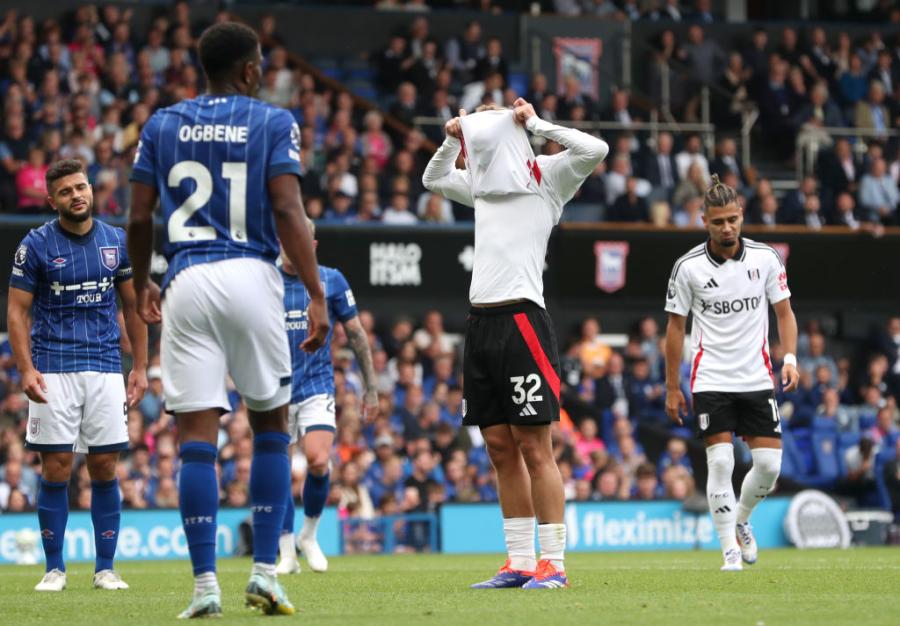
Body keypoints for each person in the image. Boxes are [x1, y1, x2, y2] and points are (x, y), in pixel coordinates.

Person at [127, 22, 329, 618]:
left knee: (196, 443)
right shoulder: (272, 121)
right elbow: (289, 207)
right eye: (261, 63)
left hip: (186, 280)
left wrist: (142, 282)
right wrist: (315, 292)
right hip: (251, 273)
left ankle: (204, 587)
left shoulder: (161, 123)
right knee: (269, 426)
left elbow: (138, 218)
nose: (263, 71)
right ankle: (266, 572)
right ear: (247, 70)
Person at [422, 98, 608, 589]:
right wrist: (451, 138)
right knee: (500, 447)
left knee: (535, 445)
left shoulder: (545, 174)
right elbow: (433, 180)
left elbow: (596, 148)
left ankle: (554, 564)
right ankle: (520, 561)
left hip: (523, 319)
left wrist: (538, 124)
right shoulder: (483, 181)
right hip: (480, 322)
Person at [7, 159, 148, 591]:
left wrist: (140, 366)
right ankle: (54, 568)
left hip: (106, 366)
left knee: (105, 465)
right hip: (52, 365)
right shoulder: (35, 245)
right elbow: (16, 311)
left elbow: (133, 304)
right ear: (52, 200)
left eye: (81, 187)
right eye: (66, 191)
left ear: (92, 189)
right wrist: (26, 368)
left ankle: (105, 568)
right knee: (57, 467)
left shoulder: (115, 241)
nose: (76, 195)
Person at [664, 174, 799, 572]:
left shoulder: (765, 258)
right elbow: (675, 328)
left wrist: (789, 358)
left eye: (733, 220)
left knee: (770, 468)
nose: (727, 228)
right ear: (704, 220)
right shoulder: (687, 268)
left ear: (742, 217)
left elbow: (785, 313)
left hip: (757, 377)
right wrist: (672, 386)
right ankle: (729, 551)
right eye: (718, 221)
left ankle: (740, 519)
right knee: (721, 463)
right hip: (711, 378)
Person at [275, 221, 378, 575]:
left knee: (318, 461)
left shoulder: (331, 279)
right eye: (287, 237)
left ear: (313, 244)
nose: (292, 244)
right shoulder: (263, 279)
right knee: (278, 471)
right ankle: (286, 551)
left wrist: (371, 387)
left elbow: (356, 334)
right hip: (273, 389)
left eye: (300, 239)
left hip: (316, 385)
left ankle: (309, 535)